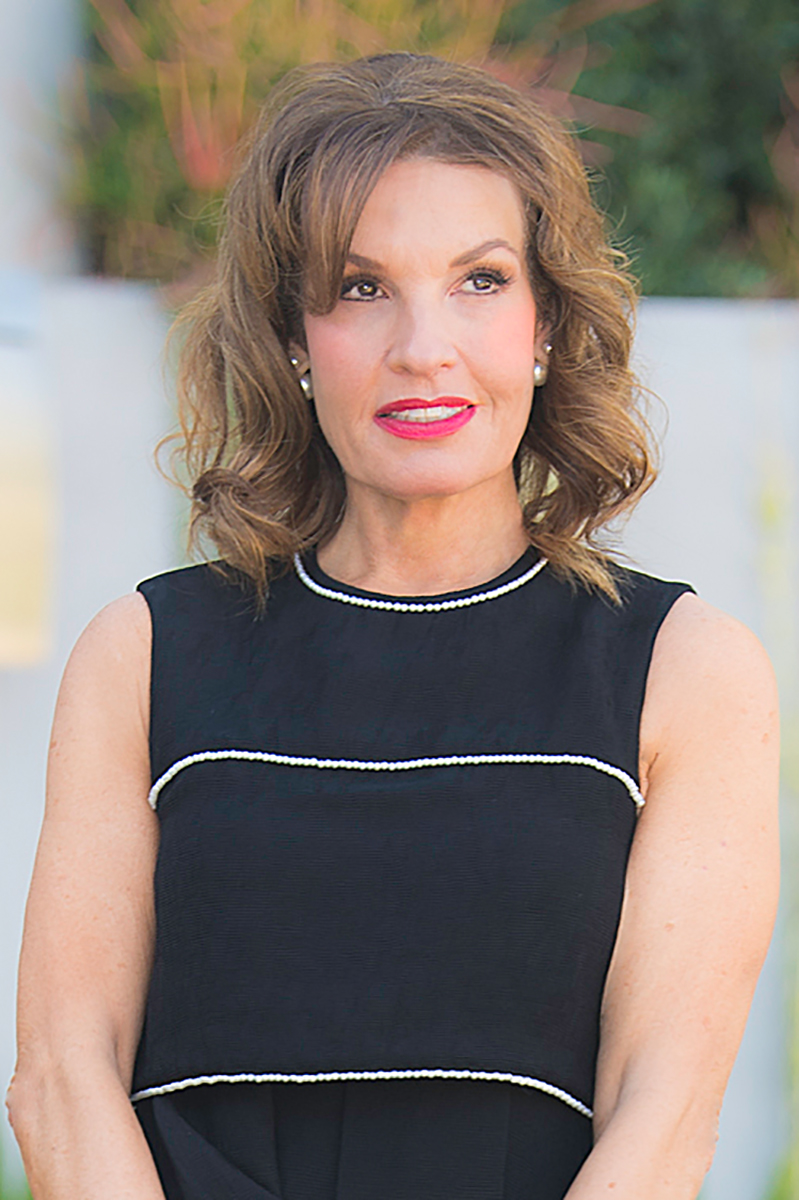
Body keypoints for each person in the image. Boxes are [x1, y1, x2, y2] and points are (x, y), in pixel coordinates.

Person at [6, 52, 779, 1200]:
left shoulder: (682, 671)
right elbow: (62, 1076)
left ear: (546, 324)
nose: (425, 346)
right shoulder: (148, 653)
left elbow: (663, 1115)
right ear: (289, 337)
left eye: (479, 280)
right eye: (361, 287)